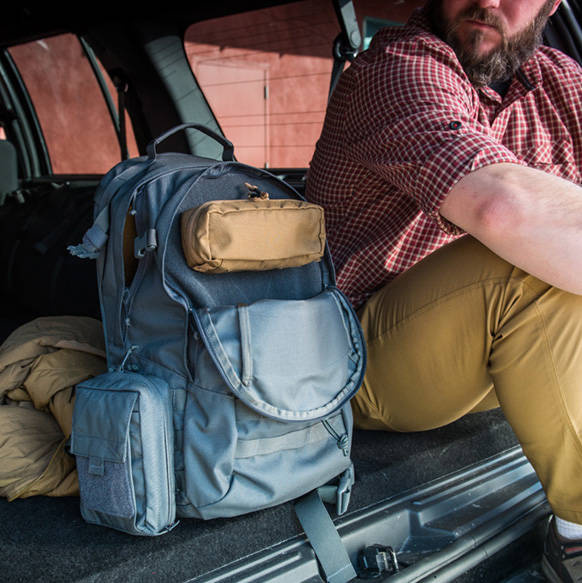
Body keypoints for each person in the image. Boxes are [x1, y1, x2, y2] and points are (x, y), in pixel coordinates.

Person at [304, 0, 582, 580]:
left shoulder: (560, 81)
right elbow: (503, 209)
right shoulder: (396, 69)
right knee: (530, 265)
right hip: (354, 360)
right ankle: (578, 540)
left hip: (492, 355)